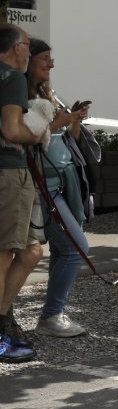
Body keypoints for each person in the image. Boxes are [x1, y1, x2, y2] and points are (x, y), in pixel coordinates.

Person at [0, 23, 67, 362]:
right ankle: (1, 337)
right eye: (27, 45)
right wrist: (40, 135)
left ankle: (3, 323)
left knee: (31, 251)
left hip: (13, 172)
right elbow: (13, 130)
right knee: (3, 256)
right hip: (8, 170)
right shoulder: (11, 77)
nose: (28, 52)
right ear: (18, 48)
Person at [26, 37, 93, 338]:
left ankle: (52, 314)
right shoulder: (20, 96)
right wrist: (60, 122)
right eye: (45, 59)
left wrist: (73, 120)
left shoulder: (46, 94)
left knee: (64, 249)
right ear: (28, 61)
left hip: (59, 184)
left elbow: (68, 140)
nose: (51, 64)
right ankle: (51, 315)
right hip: (43, 187)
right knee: (76, 248)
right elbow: (26, 136)